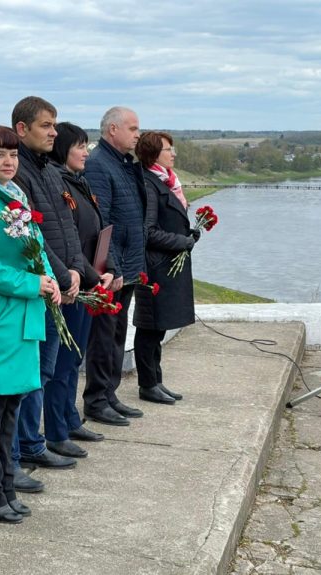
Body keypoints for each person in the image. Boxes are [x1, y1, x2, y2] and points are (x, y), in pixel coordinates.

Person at [0, 125, 61, 524]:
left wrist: (50, 280)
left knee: (11, 408)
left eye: (13, 155)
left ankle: (5, 484)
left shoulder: (17, 197)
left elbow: (35, 249)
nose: (8, 162)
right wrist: (32, 284)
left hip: (23, 318)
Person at [10, 96, 84, 490]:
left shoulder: (50, 171)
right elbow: (32, 236)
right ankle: (21, 448)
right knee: (28, 375)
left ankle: (33, 442)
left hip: (57, 285)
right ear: (23, 129)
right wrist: (61, 275)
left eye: (55, 126)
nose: (54, 132)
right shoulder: (18, 171)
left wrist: (78, 273)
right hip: (38, 288)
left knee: (44, 370)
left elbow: (66, 229)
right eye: (46, 126)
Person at [43, 122, 111, 458]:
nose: (86, 152)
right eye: (80, 146)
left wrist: (105, 269)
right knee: (63, 361)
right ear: (62, 150)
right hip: (71, 283)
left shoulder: (78, 182)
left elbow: (93, 230)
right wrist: (79, 275)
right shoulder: (58, 182)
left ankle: (70, 418)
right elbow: (65, 237)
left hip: (86, 280)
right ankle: (55, 429)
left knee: (75, 358)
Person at [83, 106, 148, 425]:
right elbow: (103, 221)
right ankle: (95, 400)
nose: (138, 134)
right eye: (133, 128)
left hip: (129, 266)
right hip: (113, 271)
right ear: (112, 130)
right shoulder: (98, 165)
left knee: (118, 334)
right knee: (103, 337)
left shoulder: (122, 164)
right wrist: (115, 268)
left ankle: (109, 394)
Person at [132, 131, 196, 404]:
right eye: (168, 149)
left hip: (167, 265)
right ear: (153, 153)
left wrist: (190, 233)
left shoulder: (166, 181)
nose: (173, 154)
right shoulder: (149, 184)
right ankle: (148, 385)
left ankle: (156, 380)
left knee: (157, 329)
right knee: (150, 328)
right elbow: (147, 232)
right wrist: (182, 241)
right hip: (155, 268)